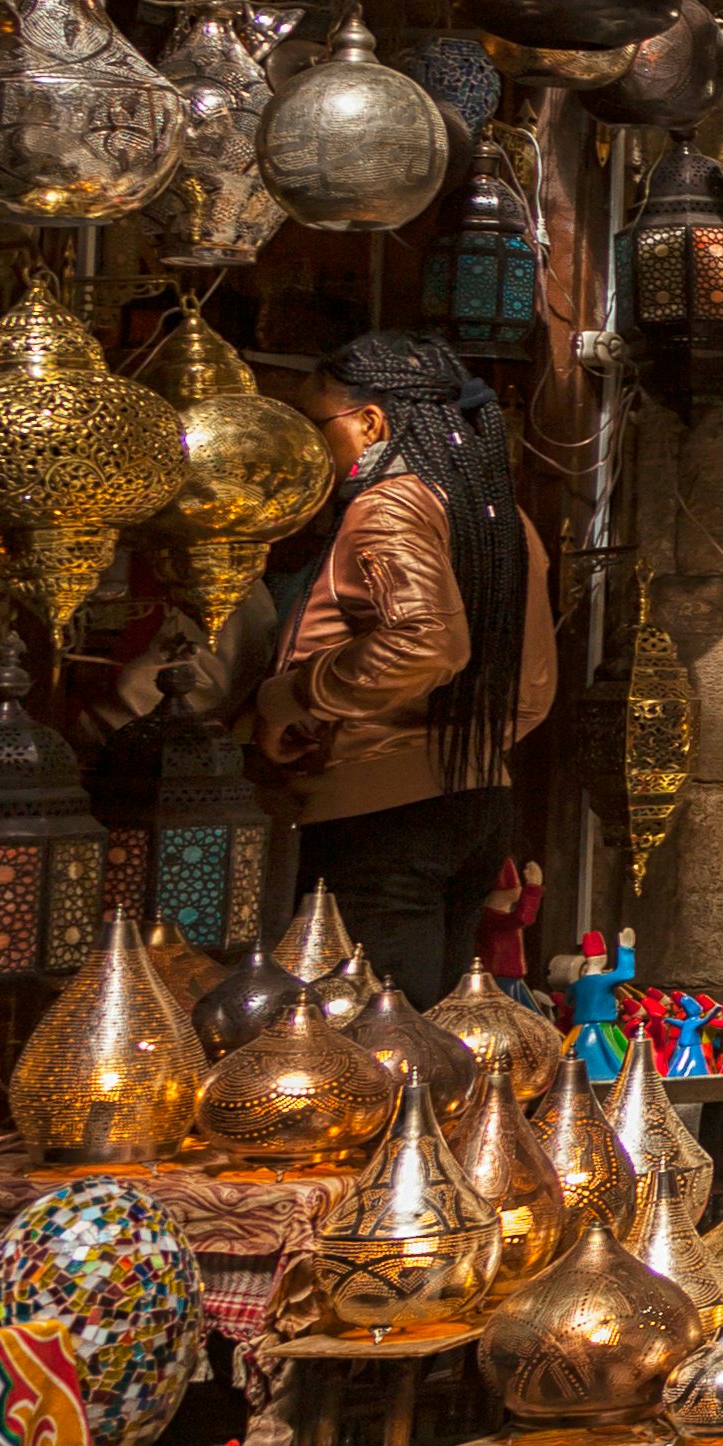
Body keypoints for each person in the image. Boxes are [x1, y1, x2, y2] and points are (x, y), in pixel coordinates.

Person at [247, 332, 557, 1006]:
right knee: (429, 1035)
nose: (308, 447)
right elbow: (531, 690)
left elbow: (425, 640)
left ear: (370, 423)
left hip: (380, 817)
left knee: (375, 1046)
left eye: (313, 425)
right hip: (475, 798)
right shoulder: (499, 517)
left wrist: (296, 696)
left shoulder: (390, 503)